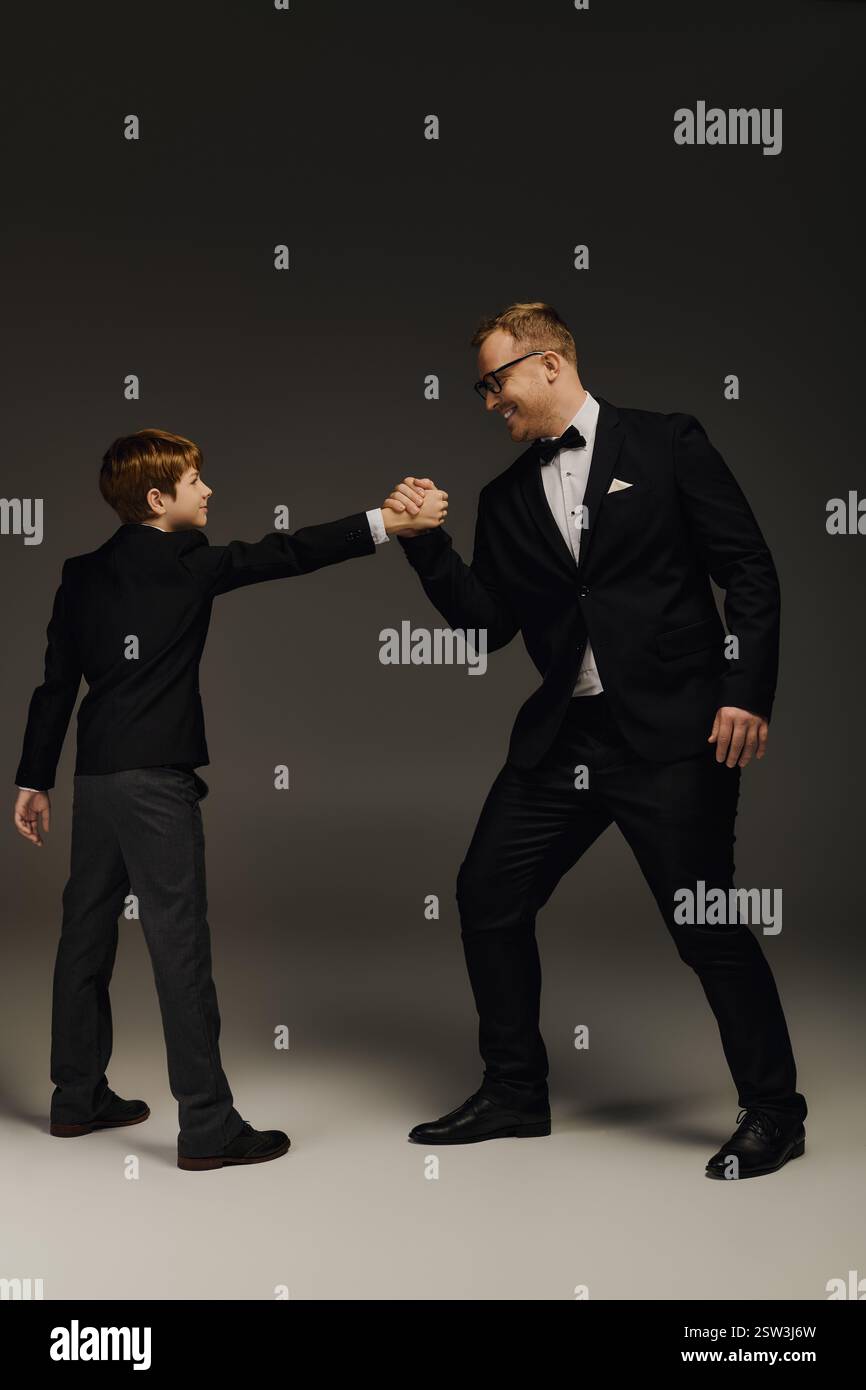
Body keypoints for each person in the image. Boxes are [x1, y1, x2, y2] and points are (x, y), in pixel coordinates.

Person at [383, 300, 807, 1180]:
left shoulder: (667, 442)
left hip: (676, 735)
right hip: (567, 740)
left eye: (494, 383)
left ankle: (774, 1111)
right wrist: (427, 549)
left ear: (547, 365)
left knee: (705, 924)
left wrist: (746, 691)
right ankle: (514, 1092)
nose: (488, 402)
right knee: (486, 895)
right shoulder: (505, 500)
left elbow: (748, 569)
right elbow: (486, 626)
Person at [13, 427, 447, 1171]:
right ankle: (207, 1126)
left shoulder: (80, 572)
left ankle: (75, 1097)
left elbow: (56, 685)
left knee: (84, 936)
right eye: (194, 481)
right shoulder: (192, 563)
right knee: (179, 947)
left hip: (96, 778)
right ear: (158, 498)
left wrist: (32, 779)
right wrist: (386, 523)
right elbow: (289, 552)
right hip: (156, 785)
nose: (208, 490)